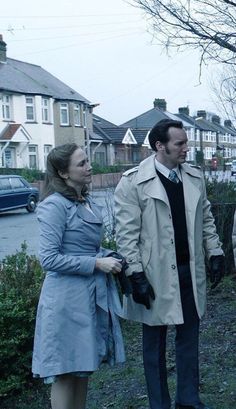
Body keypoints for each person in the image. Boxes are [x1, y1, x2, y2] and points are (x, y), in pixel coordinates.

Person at [114, 119, 224, 409]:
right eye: (180, 144)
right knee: (154, 346)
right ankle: (159, 404)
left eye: (186, 142)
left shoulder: (194, 177)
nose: (186, 148)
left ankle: (188, 400)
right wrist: (134, 273)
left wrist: (214, 251)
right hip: (154, 276)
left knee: (189, 339)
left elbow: (207, 218)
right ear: (160, 146)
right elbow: (126, 235)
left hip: (190, 271)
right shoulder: (133, 182)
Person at [32, 143, 125, 409]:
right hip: (64, 300)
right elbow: (48, 259)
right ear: (63, 173)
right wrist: (96, 263)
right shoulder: (54, 206)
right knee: (64, 371)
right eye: (82, 163)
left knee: (83, 368)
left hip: (86, 297)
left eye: (87, 161)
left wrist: (111, 256)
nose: (90, 167)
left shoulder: (84, 201)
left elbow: (87, 247)